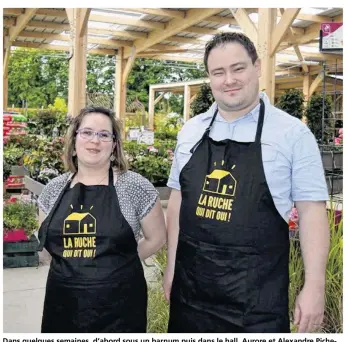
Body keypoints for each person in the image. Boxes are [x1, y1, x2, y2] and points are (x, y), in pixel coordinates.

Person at [164, 32, 330, 333]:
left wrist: (315, 285)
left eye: (238, 68)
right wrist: (170, 270)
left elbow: (312, 212)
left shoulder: (292, 134)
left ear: (256, 67)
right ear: (210, 78)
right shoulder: (190, 132)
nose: (229, 80)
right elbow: (177, 204)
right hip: (190, 297)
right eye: (219, 72)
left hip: (255, 305)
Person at [37, 106, 166, 333]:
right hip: (63, 303)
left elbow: (156, 238)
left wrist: (118, 266)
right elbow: (46, 249)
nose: (94, 141)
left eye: (104, 134)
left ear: (114, 145)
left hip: (119, 306)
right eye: (87, 132)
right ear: (74, 141)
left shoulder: (135, 186)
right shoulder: (53, 190)